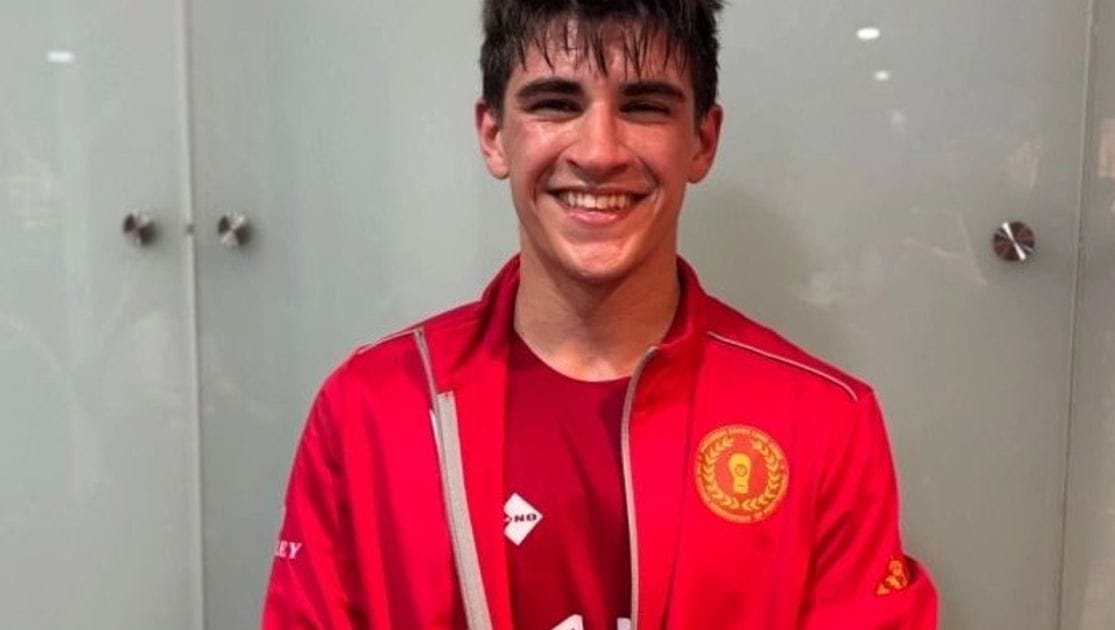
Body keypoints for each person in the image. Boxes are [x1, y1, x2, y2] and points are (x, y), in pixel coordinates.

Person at [262, 1, 937, 628]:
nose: (599, 152)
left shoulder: (824, 423)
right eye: (556, 104)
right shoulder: (368, 410)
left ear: (702, 141)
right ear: (494, 136)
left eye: (644, 107)